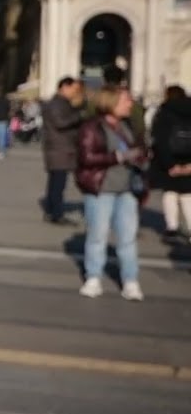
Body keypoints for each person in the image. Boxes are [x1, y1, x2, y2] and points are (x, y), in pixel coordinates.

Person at [74, 85, 146, 300]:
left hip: (127, 188)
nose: (130, 104)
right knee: (98, 235)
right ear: (111, 102)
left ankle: (130, 280)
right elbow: (86, 157)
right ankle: (93, 277)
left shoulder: (128, 126)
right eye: (125, 100)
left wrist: (141, 156)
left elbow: (141, 148)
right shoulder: (91, 127)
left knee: (128, 237)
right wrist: (118, 157)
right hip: (101, 188)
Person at [149, 85, 191, 240]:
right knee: (188, 194)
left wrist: (169, 164)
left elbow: (159, 139)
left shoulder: (164, 112)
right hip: (189, 159)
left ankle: (172, 226)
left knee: (170, 192)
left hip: (169, 158)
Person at [42, 77, 84, 225]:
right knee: (58, 183)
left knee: (55, 182)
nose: (75, 92)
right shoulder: (57, 104)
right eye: (74, 89)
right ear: (64, 87)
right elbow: (60, 122)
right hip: (60, 148)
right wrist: (78, 117)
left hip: (59, 148)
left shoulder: (61, 103)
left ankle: (51, 210)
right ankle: (56, 213)